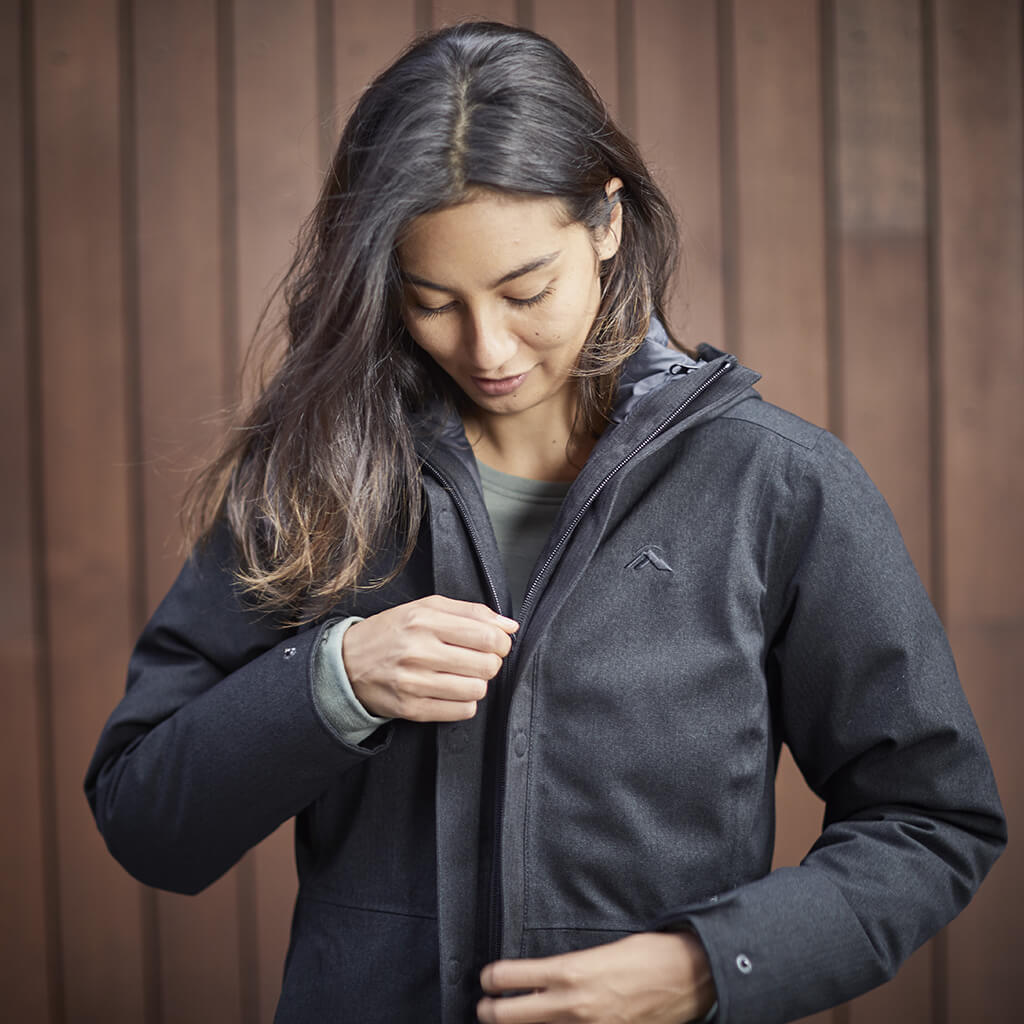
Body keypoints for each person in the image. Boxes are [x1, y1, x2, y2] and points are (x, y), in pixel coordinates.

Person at [85, 20, 1005, 1024]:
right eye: (431, 299)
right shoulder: (312, 483)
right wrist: (331, 679)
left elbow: (929, 818)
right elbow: (145, 818)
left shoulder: (777, 484)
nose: (487, 347)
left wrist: (711, 965)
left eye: (526, 291)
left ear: (605, 222)